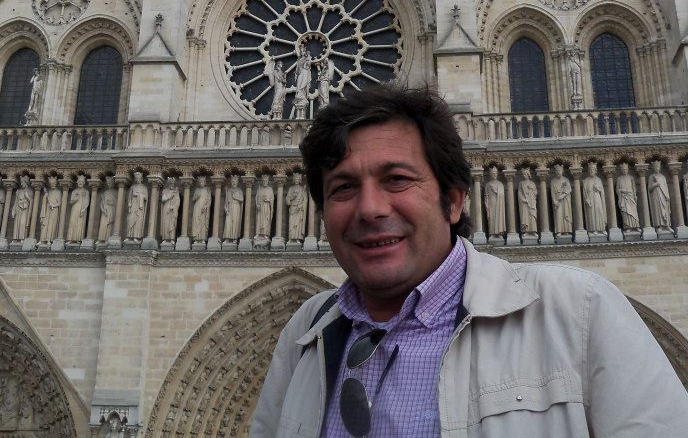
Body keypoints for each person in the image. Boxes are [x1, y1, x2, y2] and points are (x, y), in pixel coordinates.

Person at [250, 84, 688, 437]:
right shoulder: (305, 334)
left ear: (455, 201)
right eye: (343, 188)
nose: (370, 209)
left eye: (397, 179)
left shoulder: (579, 311)